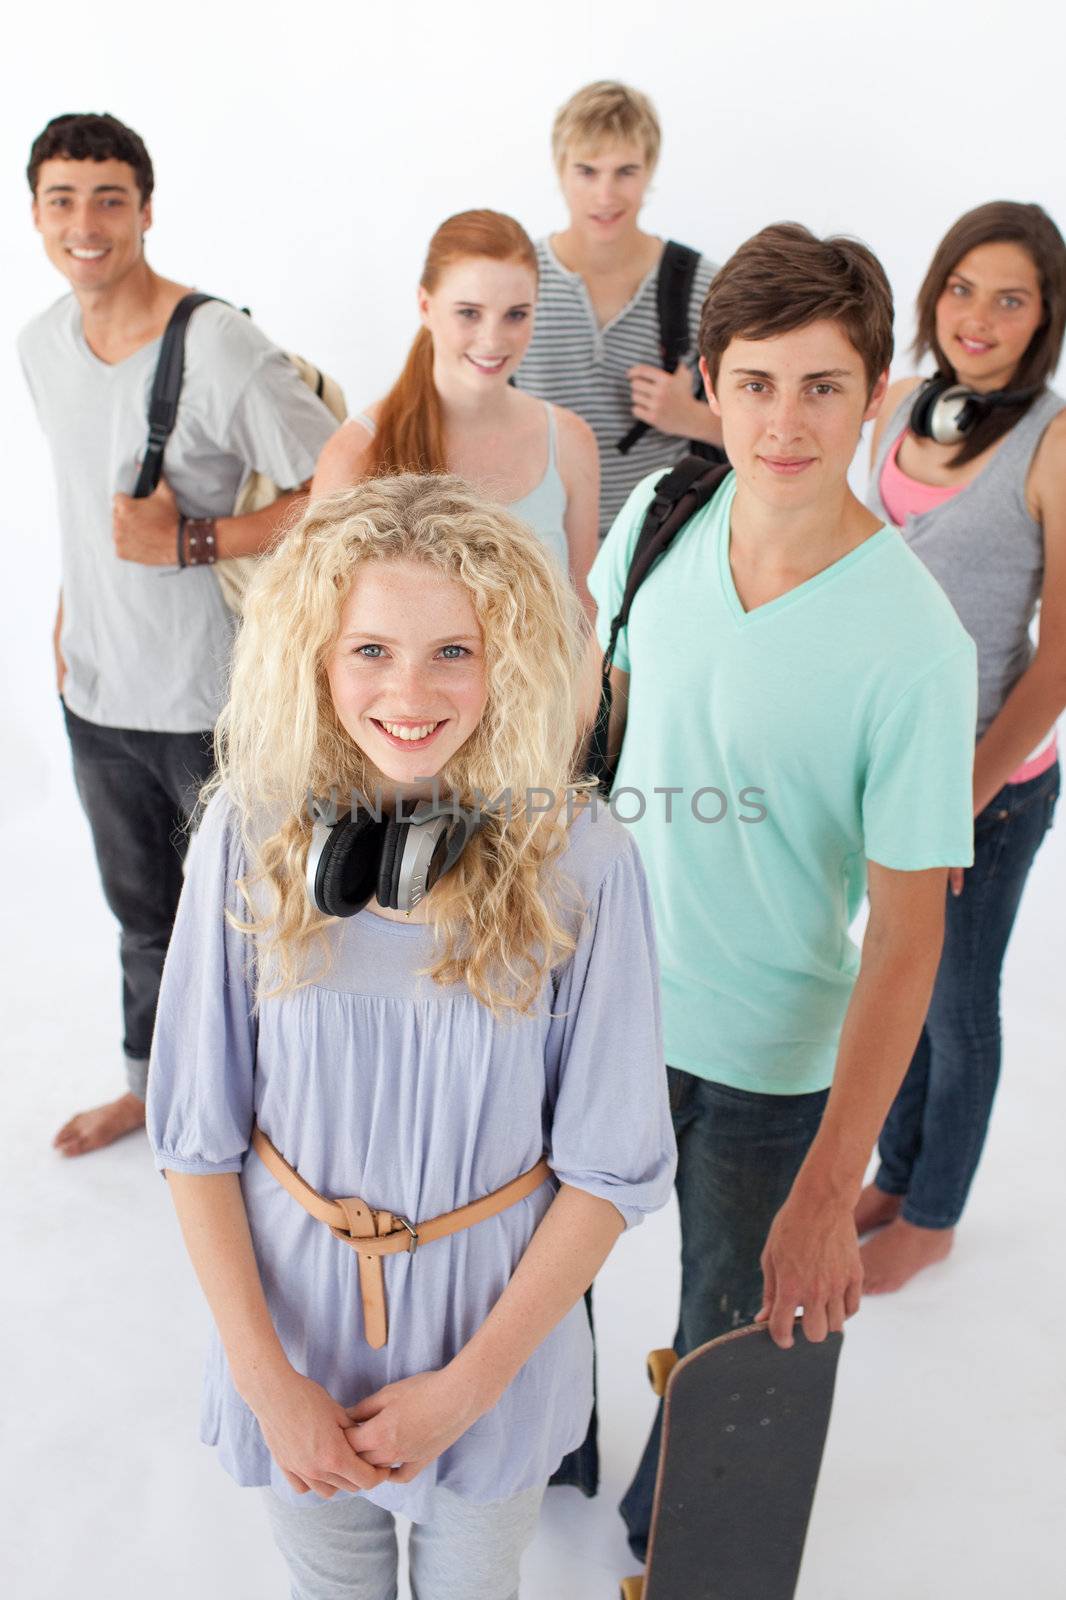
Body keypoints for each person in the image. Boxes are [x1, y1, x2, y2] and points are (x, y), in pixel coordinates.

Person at [146, 474, 675, 1600]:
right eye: (370, 649)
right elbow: (197, 1142)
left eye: (453, 651)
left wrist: (470, 1386)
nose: (409, 691)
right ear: (316, 659)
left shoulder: (585, 861)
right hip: (292, 1339)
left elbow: (606, 1169)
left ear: (511, 660)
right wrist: (267, 1379)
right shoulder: (247, 834)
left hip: (493, 1348)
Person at [588, 224, 978, 1560]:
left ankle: (673, 1546)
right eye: (754, 382)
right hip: (599, 1010)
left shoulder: (910, 645)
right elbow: (594, 736)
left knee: (727, 1347)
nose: (785, 419)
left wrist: (830, 1187)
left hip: (763, 1063)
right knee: (525, 1282)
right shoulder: (660, 516)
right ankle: (547, 1474)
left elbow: (908, 937)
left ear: (874, 392)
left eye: (823, 385)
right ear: (709, 378)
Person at [19, 112, 338, 1157]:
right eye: (61, 198)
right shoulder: (40, 347)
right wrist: (72, 612)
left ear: (146, 211)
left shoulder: (218, 348)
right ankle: (153, 1091)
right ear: (34, 213)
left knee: (254, 930)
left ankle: (272, 1118)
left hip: (213, 700)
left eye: (109, 197)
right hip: (98, 692)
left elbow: (350, 485)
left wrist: (195, 538)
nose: (85, 221)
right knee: (144, 919)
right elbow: (83, 504)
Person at [857, 201, 1066, 1291]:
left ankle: (932, 1215)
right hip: (887, 768)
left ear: (1044, 319)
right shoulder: (897, 405)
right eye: (961, 288)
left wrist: (962, 791)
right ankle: (896, 1171)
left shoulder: (1055, 442)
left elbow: (1061, 661)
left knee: (955, 999)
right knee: (893, 975)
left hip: (989, 782)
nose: (977, 317)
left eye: (1010, 298)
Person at [312, 209, 599, 615]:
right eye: (469, 313)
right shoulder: (355, 452)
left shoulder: (570, 440)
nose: (493, 339)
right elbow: (318, 628)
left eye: (516, 314)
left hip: (555, 682)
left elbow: (586, 618)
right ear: (425, 306)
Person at [515, 80, 723, 538]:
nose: (605, 196)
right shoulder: (517, 278)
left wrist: (691, 418)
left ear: (650, 170)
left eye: (625, 171)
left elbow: (766, 429)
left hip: (659, 541)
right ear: (560, 170)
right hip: (533, 543)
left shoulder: (699, 285)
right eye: (587, 171)